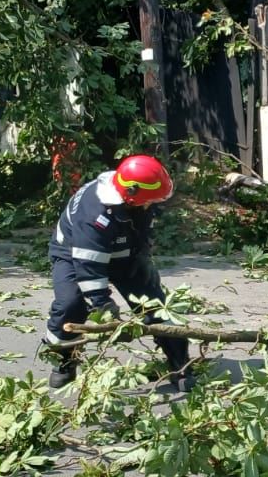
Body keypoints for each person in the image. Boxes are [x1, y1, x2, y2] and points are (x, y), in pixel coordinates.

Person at [40, 154, 191, 391]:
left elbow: (141, 230)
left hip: (125, 253)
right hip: (74, 255)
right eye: (150, 201)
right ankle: (64, 360)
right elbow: (89, 268)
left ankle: (179, 363)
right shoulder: (94, 216)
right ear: (131, 196)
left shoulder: (137, 194)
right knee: (70, 305)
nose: (153, 205)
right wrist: (103, 306)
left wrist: (142, 262)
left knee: (155, 305)